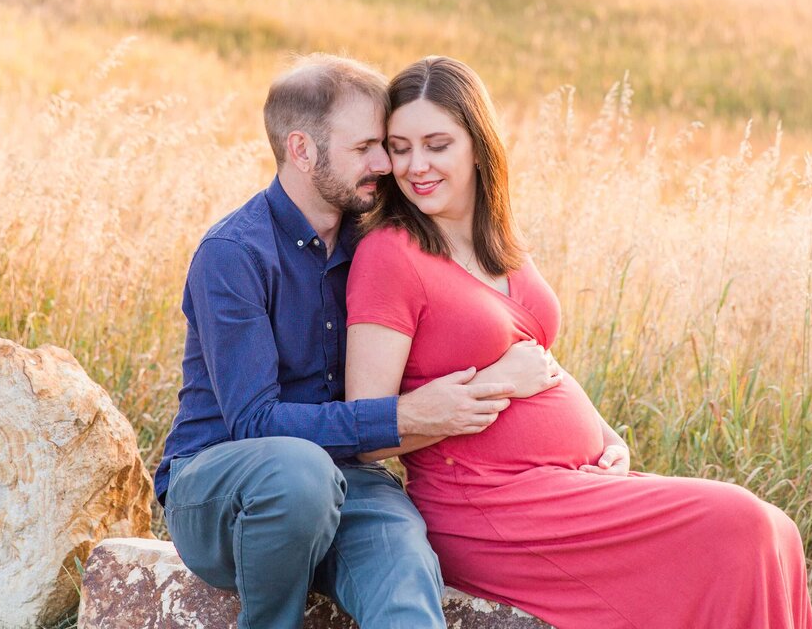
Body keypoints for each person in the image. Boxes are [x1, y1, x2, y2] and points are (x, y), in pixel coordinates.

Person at [345, 55, 812, 629]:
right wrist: (496, 385)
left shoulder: (499, 243)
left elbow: (539, 361)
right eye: (400, 147)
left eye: (437, 144)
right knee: (741, 522)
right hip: (489, 507)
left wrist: (604, 433)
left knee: (778, 532)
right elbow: (365, 430)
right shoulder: (389, 255)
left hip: (570, 486)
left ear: (477, 145)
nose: (416, 165)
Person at [154, 53, 559, 629]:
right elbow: (253, 422)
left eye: (383, 146)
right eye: (366, 148)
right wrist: (401, 417)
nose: (385, 164)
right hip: (221, 490)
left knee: (404, 568)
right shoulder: (233, 255)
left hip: (351, 484)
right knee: (300, 473)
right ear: (301, 149)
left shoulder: (377, 245)